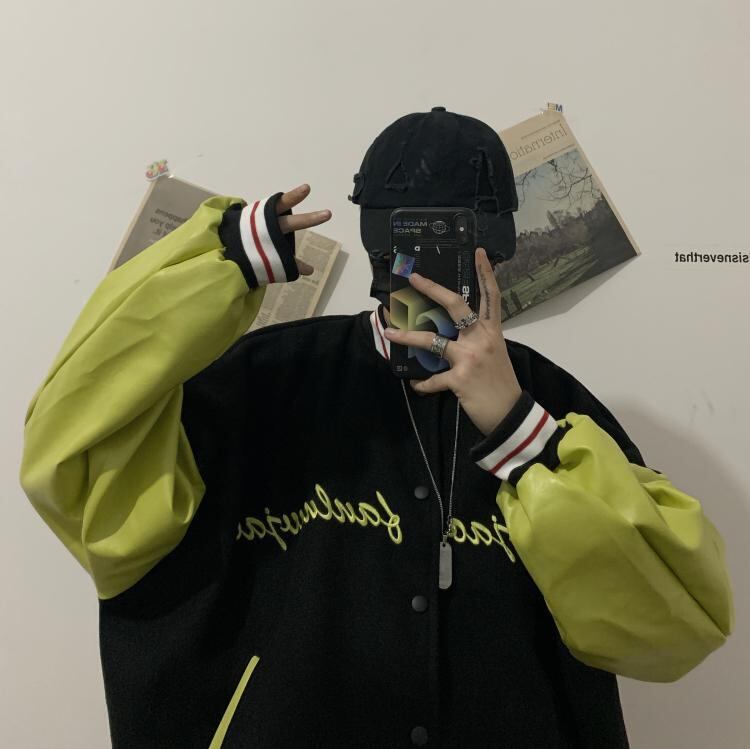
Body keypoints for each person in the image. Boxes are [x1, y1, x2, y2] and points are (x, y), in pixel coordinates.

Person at [20, 107, 734, 749]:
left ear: (496, 245)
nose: (429, 264)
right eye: (411, 233)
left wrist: (520, 431)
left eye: (453, 234)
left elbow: (671, 624)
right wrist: (221, 262)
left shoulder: (553, 409)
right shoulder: (263, 379)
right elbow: (78, 455)